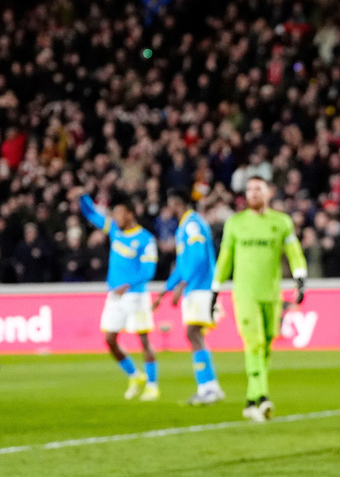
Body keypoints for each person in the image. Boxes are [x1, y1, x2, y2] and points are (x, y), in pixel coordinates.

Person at [213, 176, 308, 421]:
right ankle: (262, 396)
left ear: (269, 192)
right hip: (245, 294)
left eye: (258, 189)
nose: (253, 193)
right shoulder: (235, 223)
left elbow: (294, 252)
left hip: (271, 293)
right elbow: (225, 258)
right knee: (253, 343)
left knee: (266, 343)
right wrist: (215, 289)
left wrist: (300, 277)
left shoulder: (281, 222)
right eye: (249, 189)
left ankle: (251, 399)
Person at [76, 190, 160, 400]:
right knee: (110, 339)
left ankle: (152, 385)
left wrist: (128, 285)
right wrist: (82, 196)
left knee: (144, 340)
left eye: (119, 214)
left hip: (136, 297)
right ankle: (134, 374)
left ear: (130, 215)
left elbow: (148, 271)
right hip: (115, 296)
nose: (115, 218)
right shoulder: (114, 230)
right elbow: (90, 214)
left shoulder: (145, 239)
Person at [152, 190, 225, 405]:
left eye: (170, 205)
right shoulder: (186, 225)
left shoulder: (192, 224)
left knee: (193, 333)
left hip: (200, 286)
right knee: (195, 334)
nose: (169, 209)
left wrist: (183, 284)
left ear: (177, 203)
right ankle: (211, 386)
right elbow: (183, 264)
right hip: (195, 286)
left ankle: (207, 388)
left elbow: (198, 256)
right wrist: (165, 290)